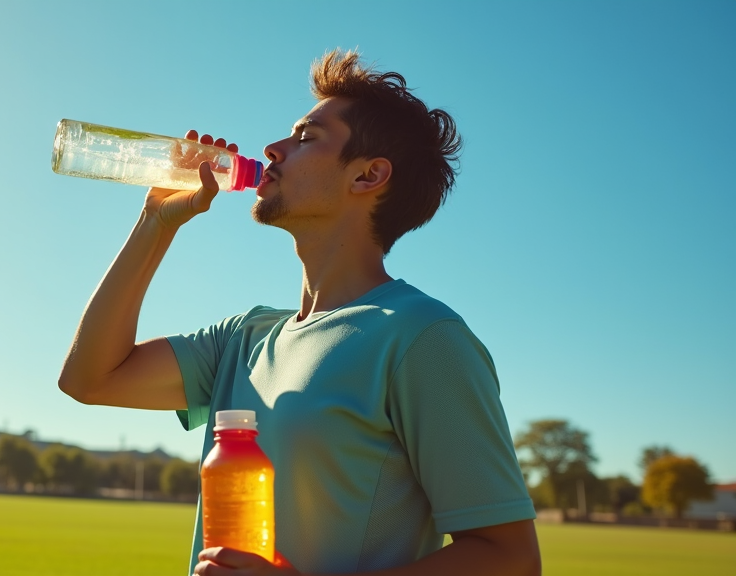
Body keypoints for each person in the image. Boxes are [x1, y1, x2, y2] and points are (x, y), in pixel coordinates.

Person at [58, 49, 541, 576]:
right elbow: (91, 378)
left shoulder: (422, 337)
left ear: (368, 176)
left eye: (307, 137)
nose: (272, 148)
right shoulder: (244, 337)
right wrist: (156, 221)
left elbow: (509, 558)